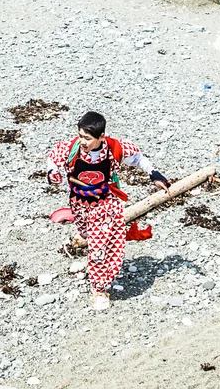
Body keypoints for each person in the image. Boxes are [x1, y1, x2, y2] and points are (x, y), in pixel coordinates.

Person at [45, 111, 170, 310]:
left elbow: (138, 158)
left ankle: (100, 289)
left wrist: (154, 174)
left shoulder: (114, 148)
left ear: (101, 136)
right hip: (79, 202)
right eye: (80, 136)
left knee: (100, 245)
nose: (83, 142)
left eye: (88, 138)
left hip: (105, 203)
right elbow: (53, 157)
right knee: (88, 235)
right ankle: (91, 245)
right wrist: (53, 172)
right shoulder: (71, 148)